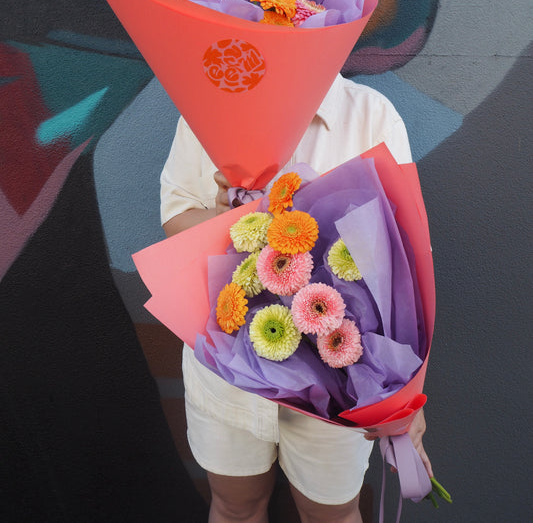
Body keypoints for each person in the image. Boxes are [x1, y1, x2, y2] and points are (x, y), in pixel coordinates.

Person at [161, 73, 432, 523]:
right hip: (225, 371)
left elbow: (407, 265)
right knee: (234, 507)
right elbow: (175, 218)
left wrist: (408, 391)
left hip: (341, 377)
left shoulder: (370, 115)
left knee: (332, 515)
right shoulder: (204, 114)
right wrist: (245, 217)